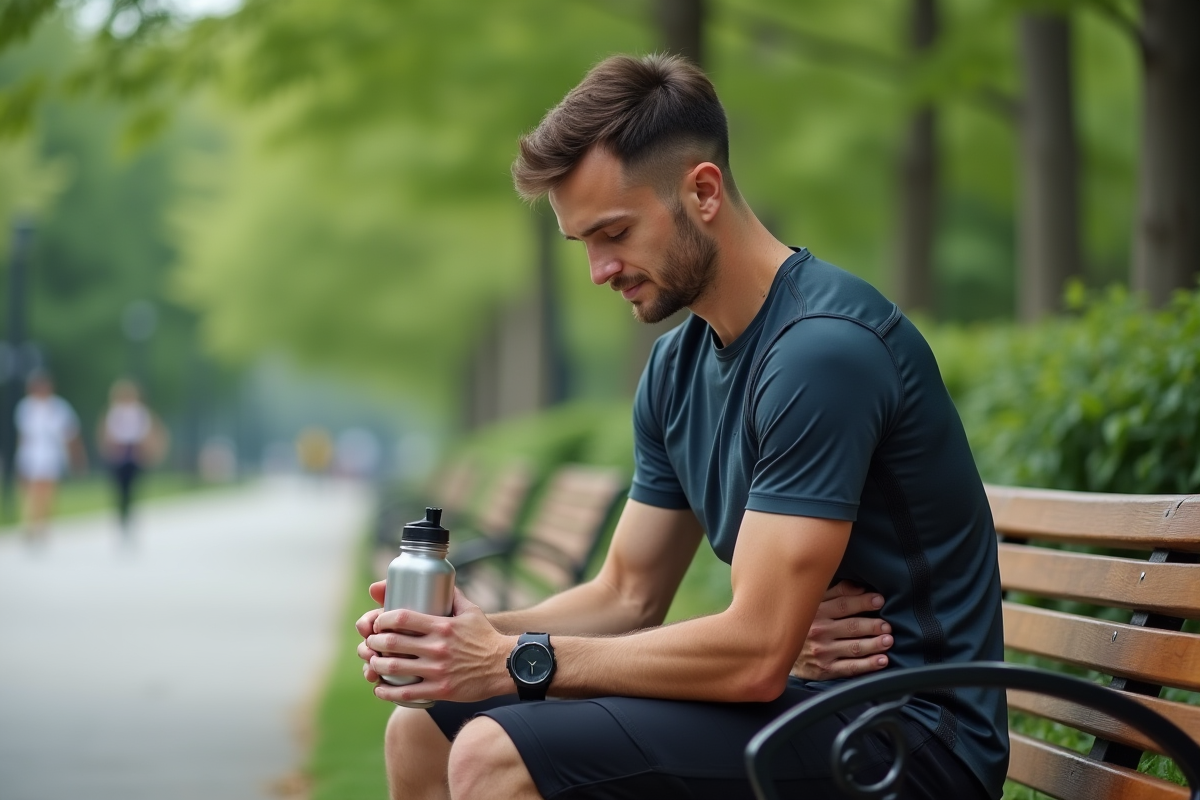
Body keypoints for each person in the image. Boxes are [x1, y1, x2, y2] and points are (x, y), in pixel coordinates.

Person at [356, 54, 1007, 800]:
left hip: (911, 739)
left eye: (615, 232)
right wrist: (459, 643)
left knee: (492, 753)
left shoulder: (822, 354)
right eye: (584, 244)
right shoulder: (677, 367)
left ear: (703, 191)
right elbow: (628, 595)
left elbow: (755, 655)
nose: (599, 269)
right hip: (806, 706)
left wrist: (516, 660)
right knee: (422, 726)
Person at [15, 370, 86, 541]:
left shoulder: (59, 407)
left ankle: (42, 524)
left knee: (46, 491)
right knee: (30, 491)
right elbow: (23, 435)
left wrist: (76, 458)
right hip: (30, 453)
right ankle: (30, 524)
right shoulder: (25, 407)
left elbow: (70, 435)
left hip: (50, 453)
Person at [98, 379, 159, 534]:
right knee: (120, 487)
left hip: (134, 451)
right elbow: (108, 433)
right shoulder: (114, 412)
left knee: (131, 486)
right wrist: (110, 449)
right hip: (119, 452)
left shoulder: (140, 412)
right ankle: (122, 513)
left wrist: (146, 451)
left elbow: (146, 432)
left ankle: (128, 512)